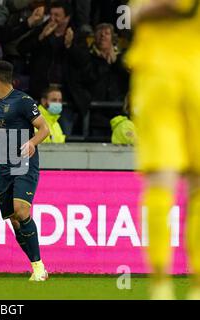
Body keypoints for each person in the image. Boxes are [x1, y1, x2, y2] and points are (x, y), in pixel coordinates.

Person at [127, 0, 200, 300]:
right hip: (164, 74)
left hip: (165, 74)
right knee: (167, 181)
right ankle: (163, 286)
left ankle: (169, 287)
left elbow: (138, 13)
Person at [0, 60, 50, 281]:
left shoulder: (23, 101)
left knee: (21, 210)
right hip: (3, 168)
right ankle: (36, 266)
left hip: (24, 164)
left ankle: (39, 268)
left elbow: (45, 128)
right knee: (14, 219)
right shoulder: (0, 106)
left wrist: (32, 143)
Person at [17, 0, 91, 135]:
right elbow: (21, 48)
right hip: (41, 94)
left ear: (67, 18)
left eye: (57, 15)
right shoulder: (43, 30)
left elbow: (84, 62)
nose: (53, 18)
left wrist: (70, 46)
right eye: (51, 14)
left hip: (66, 98)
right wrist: (41, 37)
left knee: (63, 134)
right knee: (36, 135)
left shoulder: (76, 35)